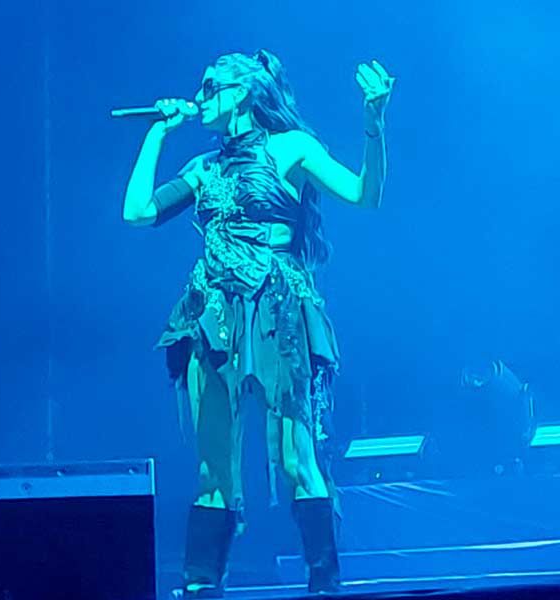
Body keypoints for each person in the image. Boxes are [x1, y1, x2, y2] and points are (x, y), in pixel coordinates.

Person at [122, 49, 393, 596]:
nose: (198, 97)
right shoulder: (203, 168)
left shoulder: (290, 148)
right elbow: (137, 212)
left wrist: (373, 123)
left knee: (296, 458)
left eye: (209, 86)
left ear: (241, 92)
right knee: (213, 466)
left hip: (276, 308)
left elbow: (365, 196)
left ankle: (324, 582)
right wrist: (158, 131)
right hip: (213, 313)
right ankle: (202, 584)